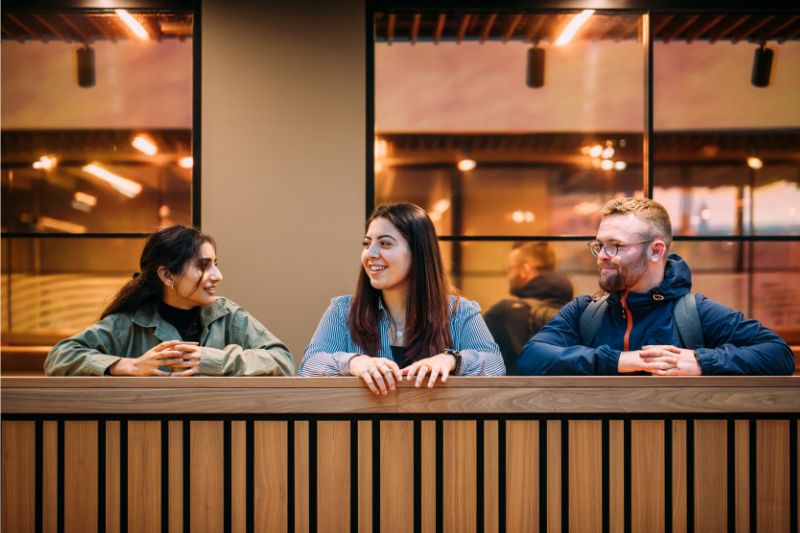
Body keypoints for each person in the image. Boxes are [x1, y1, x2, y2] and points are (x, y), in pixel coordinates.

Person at [517, 197, 794, 376]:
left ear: (656, 251)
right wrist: (618, 361)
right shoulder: (583, 312)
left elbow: (777, 354)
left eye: (615, 246)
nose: (602, 256)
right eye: (599, 245)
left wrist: (701, 362)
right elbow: (531, 359)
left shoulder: (695, 313)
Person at [300, 202, 505, 395]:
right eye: (367, 243)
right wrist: (354, 362)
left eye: (385, 244)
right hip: (363, 431)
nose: (370, 253)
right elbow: (309, 366)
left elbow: (496, 365)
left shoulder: (459, 312)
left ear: (418, 253)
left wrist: (451, 360)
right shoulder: (343, 310)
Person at [44, 225, 295, 376]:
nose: (218, 276)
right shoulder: (128, 323)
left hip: (220, 441)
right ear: (167, 275)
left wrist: (213, 360)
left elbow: (283, 361)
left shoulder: (230, 316)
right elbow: (58, 357)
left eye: (215, 265)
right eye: (203, 266)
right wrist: (125, 366)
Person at [484, 241, 573, 374]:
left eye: (510, 269)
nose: (509, 276)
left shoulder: (504, 313)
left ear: (525, 270)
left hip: (517, 393)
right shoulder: (573, 309)